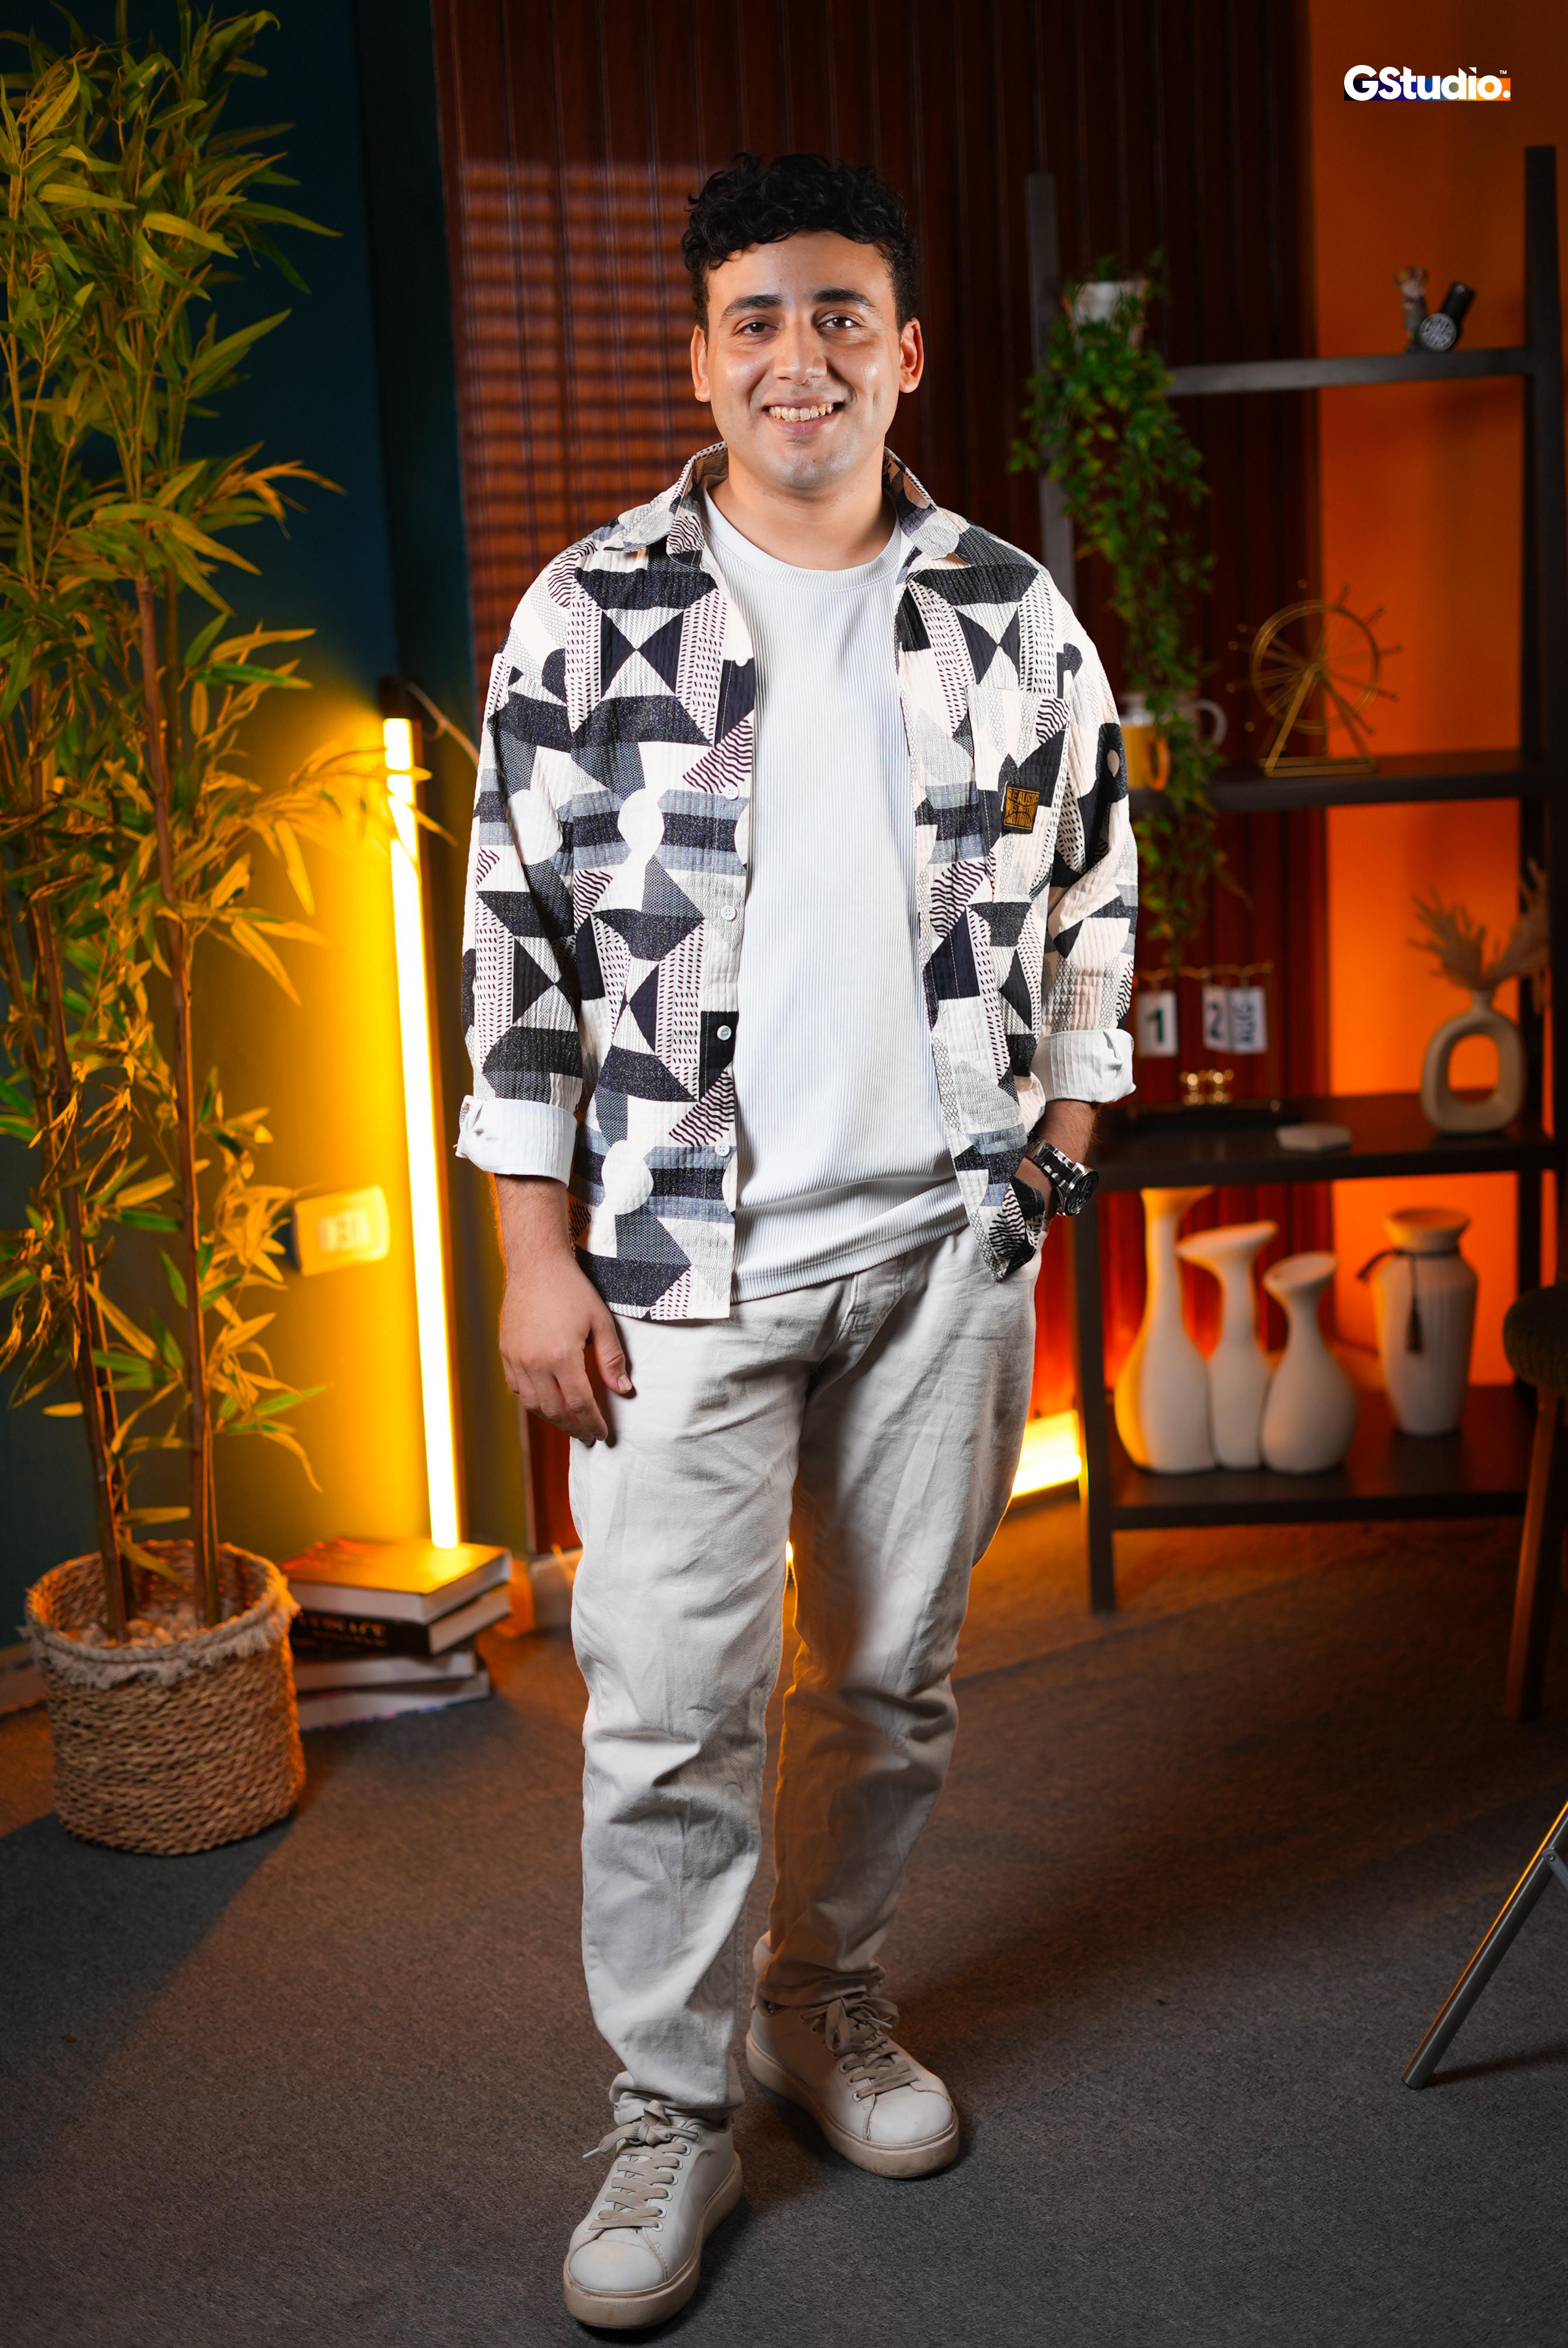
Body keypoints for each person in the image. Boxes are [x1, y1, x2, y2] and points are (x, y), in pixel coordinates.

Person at [455, 150, 1136, 2330]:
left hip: (942, 1252)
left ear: (904, 352)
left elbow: (1093, 903)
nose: (798, 357)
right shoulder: (588, 616)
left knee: (887, 1684)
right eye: (755, 318)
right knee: (670, 1709)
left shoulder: (1010, 614)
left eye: (841, 315)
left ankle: (816, 2004)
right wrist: (529, 1253)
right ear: (700, 358)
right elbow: (516, 956)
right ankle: (666, 2110)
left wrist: (1049, 1160)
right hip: (675, 1266)